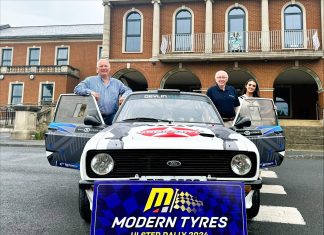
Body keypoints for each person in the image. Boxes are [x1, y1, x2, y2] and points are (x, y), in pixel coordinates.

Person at [74, 58, 132, 125]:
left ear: (109, 69)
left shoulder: (117, 83)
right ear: (97, 69)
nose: (103, 68)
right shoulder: (89, 80)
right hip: (94, 118)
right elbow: (77, 89)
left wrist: (124, 97)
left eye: (106, 66)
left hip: (112, 118)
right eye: (101, 66)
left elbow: (128, 90)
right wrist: (90, 92)